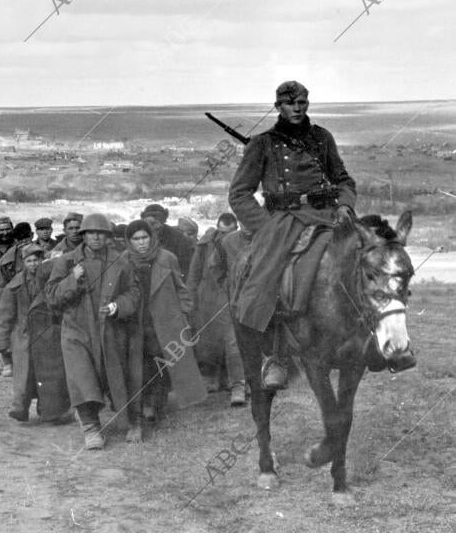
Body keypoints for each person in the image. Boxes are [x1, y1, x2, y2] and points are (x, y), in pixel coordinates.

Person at [229, 80, 356, 389]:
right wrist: (265, 227)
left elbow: (343, 180)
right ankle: (276, 357)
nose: (297, 108)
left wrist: (345, 206)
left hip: (327, 215)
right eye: (290, 103)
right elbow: (240, 194)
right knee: (268, 277)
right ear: (279, 107)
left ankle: (378, 340)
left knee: (365, 260)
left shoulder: (322, 138)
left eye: (302, 102)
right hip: (283, 222)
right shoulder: (262, 144)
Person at [46, 213, 140, 450]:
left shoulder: (121, 262)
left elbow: (133, 293)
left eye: (101, 233)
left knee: (118, 377)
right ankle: (91, 427)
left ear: (108, 236)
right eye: (91, 233)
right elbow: (51, 297)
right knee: (82, 377)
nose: (96, 237)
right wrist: (72, 280)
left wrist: (118, 306)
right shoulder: (67, 262)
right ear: (83, 236)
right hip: (77, 330)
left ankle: (132, 420)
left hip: (111, 330)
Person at [123, 220, 207, 443]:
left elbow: (181, 289)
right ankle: (141, 411)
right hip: (135, 322)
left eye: (145, 237)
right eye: (136, 239)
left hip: (164, 321)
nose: (141, 243)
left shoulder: (167, 258)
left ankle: (156, 404)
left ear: (151, 237)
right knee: (138, 367)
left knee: (162, 363)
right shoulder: (123, 261)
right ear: (129, 241)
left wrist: (186, 315)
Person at [0, 243, 71, 424]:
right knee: (24, 375)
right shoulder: (14, 286)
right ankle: (19, 407)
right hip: (24, 335)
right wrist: (1, 345)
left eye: (37, 260)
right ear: (23, 263)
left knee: (49, 375)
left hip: (47, 334)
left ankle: (50, 412)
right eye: (29, 260)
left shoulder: (51, 281)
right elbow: (4, 316)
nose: (34, 264)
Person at [186, 212, 246, 405]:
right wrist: (189, 299)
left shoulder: (242, 244)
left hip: (232, 299)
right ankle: (214, 378)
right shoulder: (205, 245)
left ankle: (238, 385)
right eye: (220, 231)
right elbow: (194, 273)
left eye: (228, 232)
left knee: (232, 341)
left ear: (235, 230)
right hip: (207, 299)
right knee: (208, 341)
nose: (223, 236)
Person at [140, 204, 194, 280]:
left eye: (157, 218)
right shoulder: (139, 236)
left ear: (164, 220)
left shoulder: (178, 237)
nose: (153, 226)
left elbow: (185, 265)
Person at [0, 222, 34, 300]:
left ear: (32, 236)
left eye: (27, 237)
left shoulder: (43, 253)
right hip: (17, 300)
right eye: (20, 239)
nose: (24, 241)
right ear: (15, 239)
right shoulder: (6, 260)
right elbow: (0, 286)